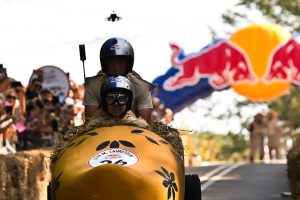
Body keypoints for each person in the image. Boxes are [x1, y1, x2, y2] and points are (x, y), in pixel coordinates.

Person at [83, 37, 155, 124]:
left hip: (133, 133)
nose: (116, 67)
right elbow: (90, 124)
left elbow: (146, 126)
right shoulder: (93, 86)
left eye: (121, 62)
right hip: (101, 132)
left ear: (128, 63)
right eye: (111, 62)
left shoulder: (142, 88)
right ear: (105, 64)